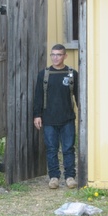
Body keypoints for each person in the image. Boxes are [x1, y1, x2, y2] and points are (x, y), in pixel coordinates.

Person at [32, 44, 79, 189]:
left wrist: (83, 115)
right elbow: (38, 97)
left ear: (65, 56)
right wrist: (37, 115)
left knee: (68, 148)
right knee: (51, 149)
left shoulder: (72, 74)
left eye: (59, 55)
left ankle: (70, 176)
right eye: (53, 55)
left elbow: (78, 96)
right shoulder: (44, 74)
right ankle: (54, 177)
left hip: (67, 119)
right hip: (49, 119)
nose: (55, 57)